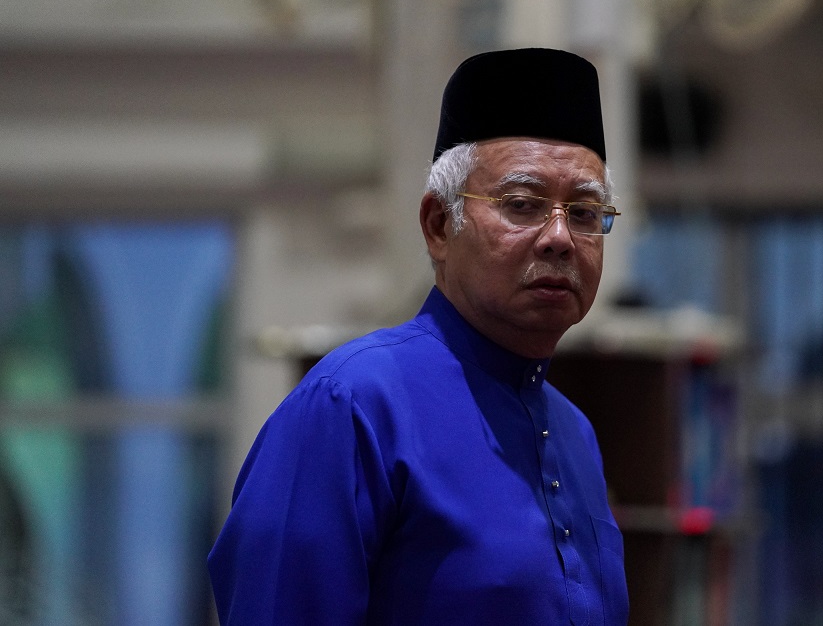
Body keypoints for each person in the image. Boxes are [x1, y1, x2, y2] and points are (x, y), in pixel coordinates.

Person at [208, 47, 629, 625]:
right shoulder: (353, 404)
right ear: (438, 225)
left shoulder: (575, 433)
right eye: (522, 205)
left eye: (583, 213)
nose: (560, 237)